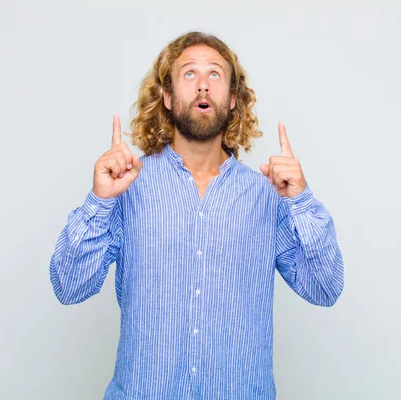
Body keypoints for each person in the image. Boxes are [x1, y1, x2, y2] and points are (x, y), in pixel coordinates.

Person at [49, 31, 344, 400]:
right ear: (168, 98)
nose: (203, 85)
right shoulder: (128, 187)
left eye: (215, 75)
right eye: (189, 74)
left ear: (233, 99)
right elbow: (69, 285)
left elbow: (325, 288)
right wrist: (99, 200)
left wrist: (301, 200)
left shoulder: (267, 196)